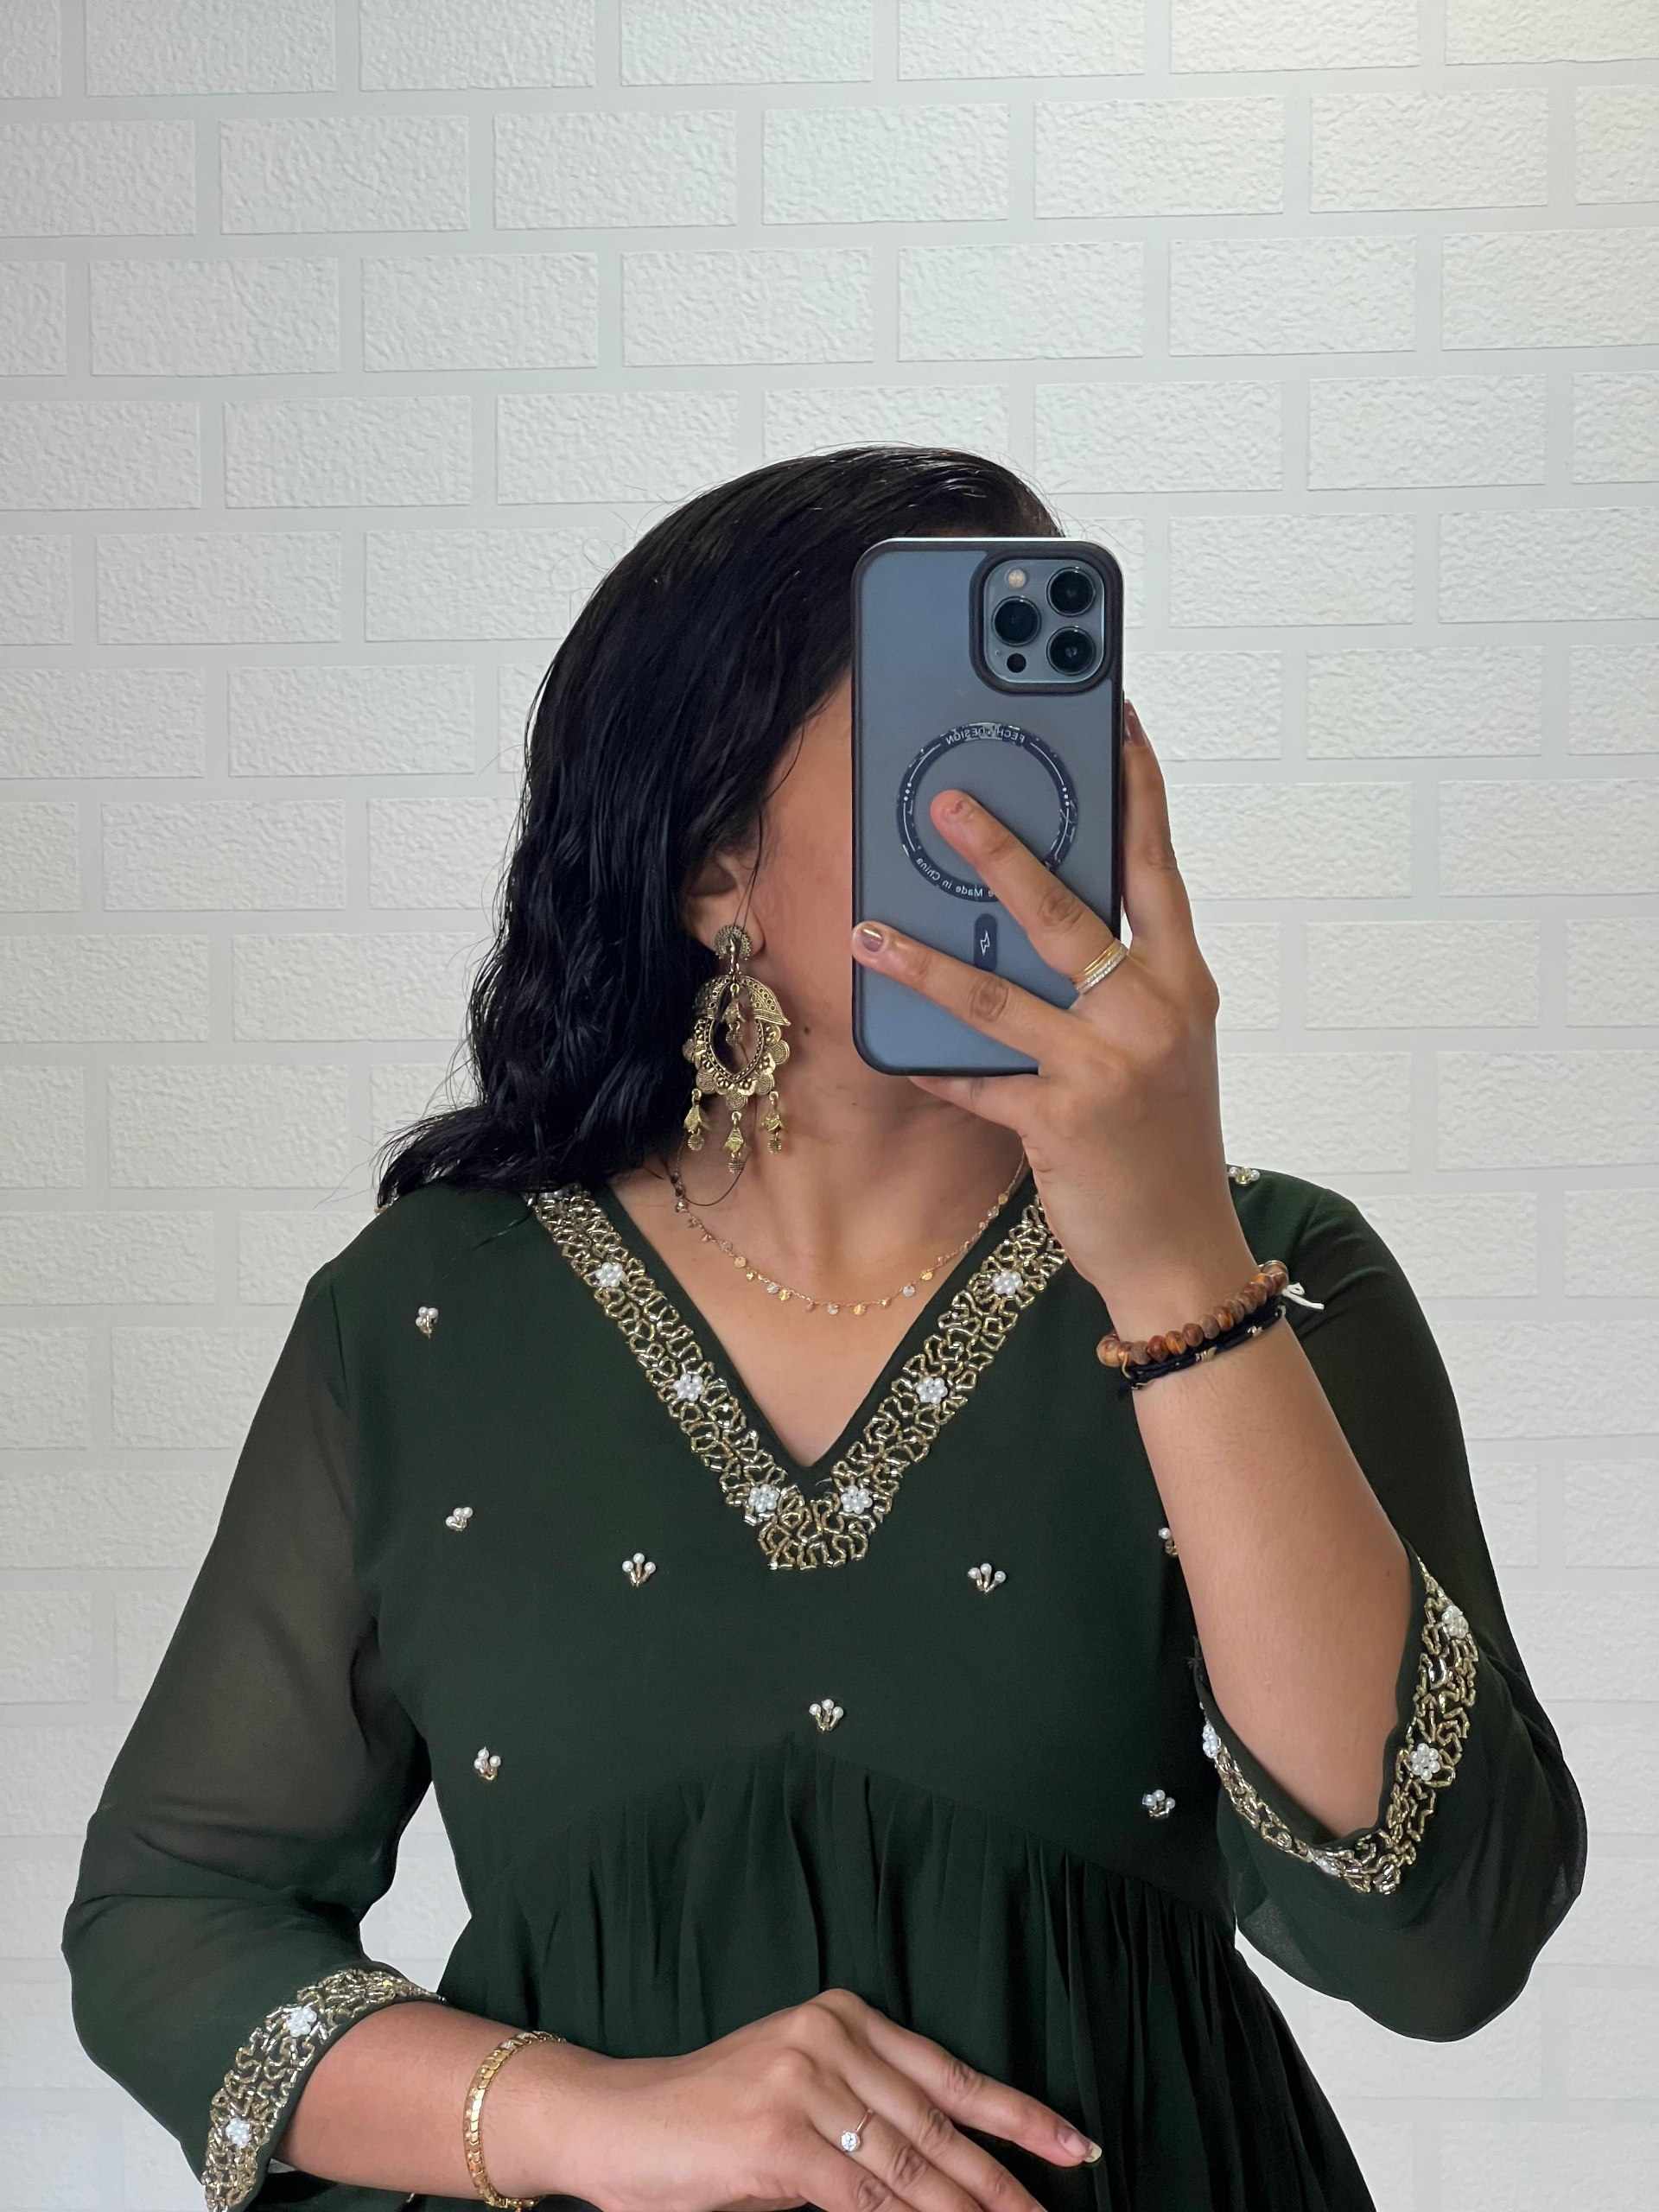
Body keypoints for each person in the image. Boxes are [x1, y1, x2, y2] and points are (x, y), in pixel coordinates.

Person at [61, 448, 1587, 2212]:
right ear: (719, 864)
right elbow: (172, 1916)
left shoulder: (1275, 1271)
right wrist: (584, 2115)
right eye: (947, 746)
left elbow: (1443, 1942)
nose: (1023, 813)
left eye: (1056, 738)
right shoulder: (424, 1314)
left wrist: (1178, 1269)